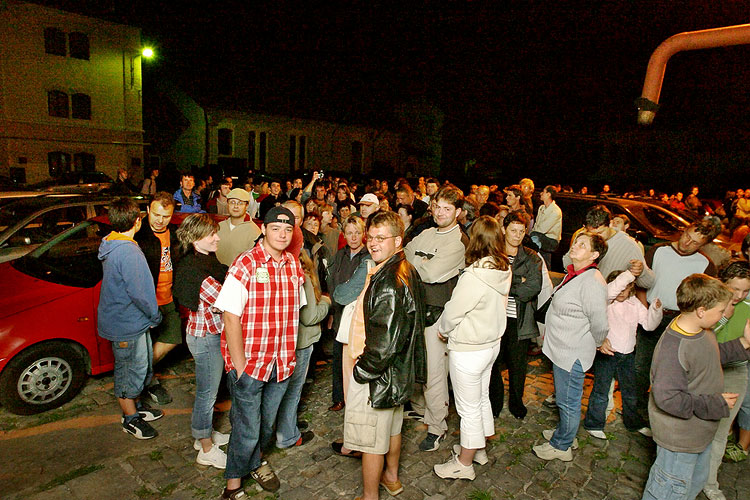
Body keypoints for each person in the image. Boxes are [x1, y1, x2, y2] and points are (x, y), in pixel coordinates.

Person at [214, 206, 304, 497]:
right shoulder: (246, 263)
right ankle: (233, 486)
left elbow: (295, 312)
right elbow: (230, 316)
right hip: (251, 364)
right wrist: (239, 365)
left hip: (282, 363)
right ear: (263, 229)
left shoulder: (293, 264)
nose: (282, 234)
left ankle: (255, 461)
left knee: (265, 425)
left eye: (288, 229)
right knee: (247, 427)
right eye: (276, 228)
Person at [642, 274, 750, 500]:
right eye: (720, 312)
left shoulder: (701, 331)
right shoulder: (674, 348)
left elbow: (710, 356)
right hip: (680, 440)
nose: (724, 316)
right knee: (669, 490)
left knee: (693, 484)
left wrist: (745, 343)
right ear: (701, 310)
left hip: (700, 433)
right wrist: (716, 403)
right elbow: (668, 399)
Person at [343, 210, 426, 500]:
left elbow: (383, 344)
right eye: (371, 237)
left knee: (371, 441)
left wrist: (361, 372)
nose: (373, 243)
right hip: (397, 373)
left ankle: (369, 496)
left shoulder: (390, 279)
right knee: (392, 429)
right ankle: (391, 478)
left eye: (381, 238)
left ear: (398, 240)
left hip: (379, 377)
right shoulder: (404, 267)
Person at [433, 216, 511, 480]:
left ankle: (463, 465)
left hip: (469, 348)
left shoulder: (475, 276)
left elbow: (454, 312)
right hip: (490, 345)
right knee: (480, 398)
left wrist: (443, 330)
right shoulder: (503, 269)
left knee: (467, 408)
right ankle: (478, 450)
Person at [533, 232, 609, 461]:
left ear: (594, 255)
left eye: (582, 245)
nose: (575, 246)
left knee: (568, 401)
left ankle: (562, 445)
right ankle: (565, 432)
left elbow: (600, 324)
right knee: (565, 398)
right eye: (576, 242)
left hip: (572, 352)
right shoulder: (576, 274)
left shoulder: (592, 281)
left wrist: (597, 343)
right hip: (562, 348)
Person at [405, 185, 469, 452]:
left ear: (458, 212)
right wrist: (422, 260)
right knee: (416, 364)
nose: (440, 213)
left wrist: (419, 261)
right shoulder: (427, 232)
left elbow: (430, 274)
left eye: (447, 209)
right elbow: (405, 254)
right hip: (415, 309)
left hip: (437, 313)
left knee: (434, 371)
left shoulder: (459, 241)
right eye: (437, 207)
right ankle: (422, 410)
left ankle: (437, 426)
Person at [635, 219, 720, 419]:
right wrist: (645, 310)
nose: (687, 243)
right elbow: (641, 285)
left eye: (695, 243)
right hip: (652, 315)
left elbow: (706, 300)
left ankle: (658, 411)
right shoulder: (658, 251)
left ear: (703, 245)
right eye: (687, 236)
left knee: (670, 370)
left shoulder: (706, 265)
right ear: (684, 230)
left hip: (679, 322)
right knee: (642, 366)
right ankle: (636, 410)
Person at [97, 197, 163, 439]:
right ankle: (129, 418)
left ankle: (135, 406)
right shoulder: (129, 251)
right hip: (127, 324)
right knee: (128, 371)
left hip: (131, 321)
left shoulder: (111, 243)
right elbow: (141, 293)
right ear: (137, 221)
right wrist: (155, 315)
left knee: (139, 368)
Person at [173, 214, 230, 469]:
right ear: (196, 238)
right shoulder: (198, 271)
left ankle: (202, 436)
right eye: (211, 234)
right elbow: (225, 302)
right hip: (205, 337)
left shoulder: (201, 261)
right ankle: (206, 449)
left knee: (210, 391)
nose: (217, 238)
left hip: (205, 333)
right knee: (207, 395)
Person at [582, 269, 662, 440]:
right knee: (601, 390)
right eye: (619, 288)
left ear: (631, 289)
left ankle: (633, 422)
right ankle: (594, 423)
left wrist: (655, 310)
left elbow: (649, 325)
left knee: (630, 391)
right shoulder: (607, 302)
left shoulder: (634, 304)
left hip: (628, 354)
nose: (621, 292)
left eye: (626, 289)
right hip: (608, 353)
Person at [702, 261, 750, 500]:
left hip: (736, 370)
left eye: (746, 290)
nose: (740, 296)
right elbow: (700, 339)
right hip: (708, 369)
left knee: (721, 431)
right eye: (735, 290)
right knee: (697, 424)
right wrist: (723, 317)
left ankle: (710, 482)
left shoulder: (748, 304)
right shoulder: (710, 299)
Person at [489, 211, 542, 420]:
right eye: (513, 230)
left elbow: (533, 287)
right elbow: (490, 284)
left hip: (518, 320)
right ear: (504, 230)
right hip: (494, 317)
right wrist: (517, 281)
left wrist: (507, 283)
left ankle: (516, 403)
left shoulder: (531, 257)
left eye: (522, 231)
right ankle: (494, 401)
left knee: (518, 366)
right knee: (493, 363)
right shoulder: (494, 254)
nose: (517, 235)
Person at [275, 251, 330, 449]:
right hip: (302, 342)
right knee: (293, 390)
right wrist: (325, 302)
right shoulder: (303, 278)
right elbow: (309, 317)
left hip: (284, 341)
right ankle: (287, 436)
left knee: (282, 388)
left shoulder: (280, 274)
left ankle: (285, 425)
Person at [134, 192, 184, 405]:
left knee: (172, 337)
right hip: (146, 302)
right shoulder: (138, 235)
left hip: (168, 298)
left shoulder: (175, 234)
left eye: (165, 216)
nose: (159, 220)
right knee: (144, 345)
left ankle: (142, 374)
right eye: (155, 214)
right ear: (147, 211)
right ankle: (145, 382)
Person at [326, 216, 371, 412]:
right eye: (350, 233)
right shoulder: (340, 255)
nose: (353, 237)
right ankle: (339, 397)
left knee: (355, 357)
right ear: (344, 234)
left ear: (364, 235)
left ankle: (357, 399)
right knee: (338, 357)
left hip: (359, 314)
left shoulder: (368, 256)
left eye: (357, 233)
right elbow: (332, 282)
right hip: (339, 312)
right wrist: (333, 311)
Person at [215, 188, 262, 267]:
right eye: (232, 202)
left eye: (240, 203)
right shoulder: (219, 227)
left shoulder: (254, 231)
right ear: (227, 204)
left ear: (246, 206)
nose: (236, 206)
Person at [529, 185, 562, 267]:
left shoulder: (555, 211)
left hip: (551, 240)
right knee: (534, 236)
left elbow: (542, 229)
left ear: (548, 194)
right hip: (541, 237)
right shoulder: (542, 208)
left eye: (543, 192)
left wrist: (531, 234)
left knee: (534, 237)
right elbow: (537, 225)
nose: (541, 194)